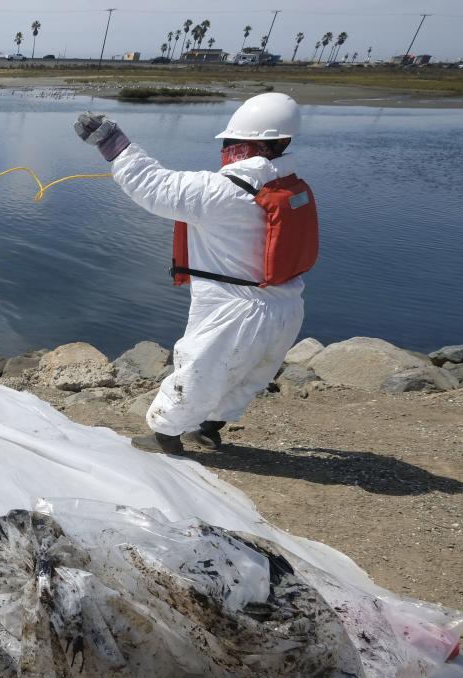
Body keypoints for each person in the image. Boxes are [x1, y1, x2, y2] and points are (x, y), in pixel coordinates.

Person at [74, 92, 317, 455]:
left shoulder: (227, 192)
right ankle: (207, 430)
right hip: (284, 307)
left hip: (237, 310)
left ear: (243, 144)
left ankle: (165, 438)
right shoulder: (286, 185)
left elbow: (155, 186)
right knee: (247, 376)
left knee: (198, 371)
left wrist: (113, 144)